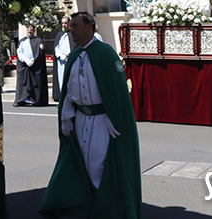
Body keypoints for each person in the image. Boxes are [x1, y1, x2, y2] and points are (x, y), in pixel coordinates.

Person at [40, 12, 141, 219]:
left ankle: (105, 207)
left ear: (89, 27)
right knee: (82, 164)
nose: (71, 30)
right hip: (80, 120)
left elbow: (116, 92)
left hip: (102, 121)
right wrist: (67, 118)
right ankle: (85, 205)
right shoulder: (74, 56)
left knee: (98, 165)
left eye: (75, 26)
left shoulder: (105, 53)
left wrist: (114, 118)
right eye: (70, 26)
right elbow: (68, 93)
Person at [14, 25, 48, 107]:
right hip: (24, 66)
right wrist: (25, 60)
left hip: (34, 66)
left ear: (34, 31)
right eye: (28, 29)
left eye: (31, 29)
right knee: (23, 84)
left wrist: (33, 60)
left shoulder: (38, 41)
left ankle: (35, 100)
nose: (29, 31)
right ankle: (21, 100)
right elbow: (19, 52)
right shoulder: (22, 41)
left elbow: (40, 53)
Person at [52, 16, 72, 102]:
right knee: (61, 80)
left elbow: (73, 47)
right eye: (63, 23)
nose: (64, 25)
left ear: (69, 23)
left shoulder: (73, 34)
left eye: (66, 23)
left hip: (69, 61)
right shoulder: (59, 34)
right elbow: (56, 47)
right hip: (60, 62)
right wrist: (60, 55)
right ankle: (62, 98)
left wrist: (67, 55)